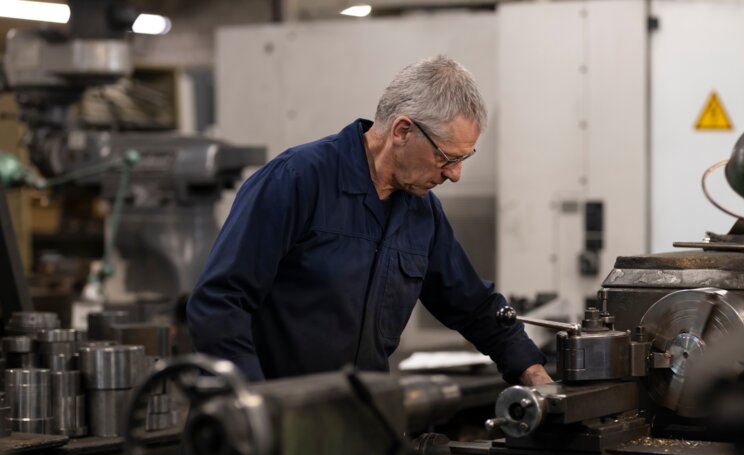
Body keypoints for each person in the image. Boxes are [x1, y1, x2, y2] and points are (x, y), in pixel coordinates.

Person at [186, 55, 552, 386]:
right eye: (446, 157)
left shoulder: (421, 211)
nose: (454, 174)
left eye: (463, 159)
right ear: (402, 131)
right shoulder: (297, 180)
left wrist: (532, 372)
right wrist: (253, 406)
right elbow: (220, 302)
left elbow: (472, 304)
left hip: (360, 420)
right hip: (276, 420)